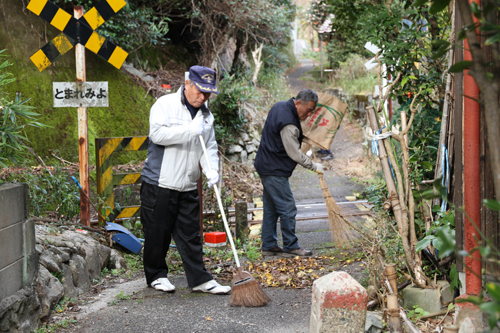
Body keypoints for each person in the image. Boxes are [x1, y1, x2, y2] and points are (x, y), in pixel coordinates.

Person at [140, 66, 230, 294]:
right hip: (160, 182)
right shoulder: (165, 105)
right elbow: (157, 135)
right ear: (188, 83)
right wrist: (189, 130)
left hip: (188, 183)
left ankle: (200, 279)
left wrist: (212, 170)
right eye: (200, 91)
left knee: (191, 235)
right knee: (157, 233)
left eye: (208, 93)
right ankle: (156, 275)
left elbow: (209, 145)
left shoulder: (207, 115)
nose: (203, 97)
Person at [254, 89, 323, 257]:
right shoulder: (289, 123)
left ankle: (269, 244)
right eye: (308, 110)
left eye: (311, 112)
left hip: (266, 164)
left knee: (271, 208)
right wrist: (314, 166)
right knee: (288, 207)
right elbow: (294, 153)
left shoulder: (279, 106)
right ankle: (291, 245)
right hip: (274, 170)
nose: (308, 115)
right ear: (298, 103)